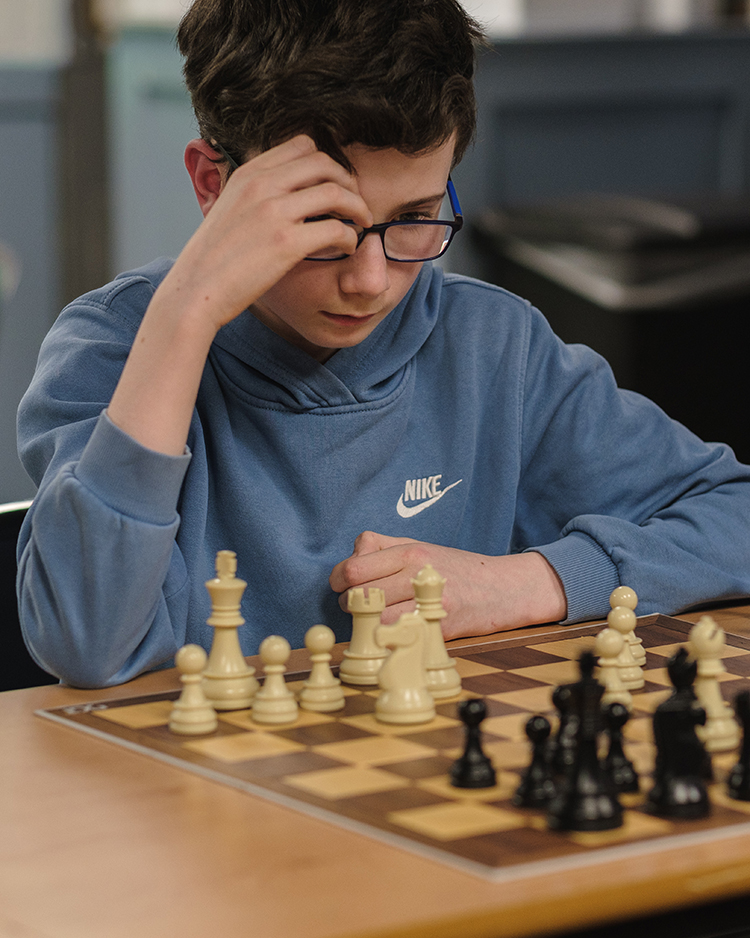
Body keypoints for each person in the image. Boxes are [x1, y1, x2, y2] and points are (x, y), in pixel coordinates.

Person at [16, 0, 750, 688]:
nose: (372, 280)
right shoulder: (113, 347)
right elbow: (88, 642)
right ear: (215, 186)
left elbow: (734, 515)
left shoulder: (494, 347)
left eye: (416, 216)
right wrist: (183, 317)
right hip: (181, 803)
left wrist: (524, 583)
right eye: (323, 227)